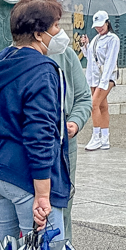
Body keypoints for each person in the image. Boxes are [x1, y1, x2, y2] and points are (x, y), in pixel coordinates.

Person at [0, 0, 72, 245]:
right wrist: (43, 193)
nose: (59, 32)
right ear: (38, 33)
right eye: (55, 26)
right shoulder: (43, 69)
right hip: (24, 173)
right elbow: (39, 132)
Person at [49, 18, 91, 237]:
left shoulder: (66, 54)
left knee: (62, 203)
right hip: (31, 141)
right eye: (55, 26)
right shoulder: (14, 56)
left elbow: (84, 96)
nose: (61, 31)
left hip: (64, 140)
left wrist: (75, 121)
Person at [83, 11, 120, 151]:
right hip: (94, 78)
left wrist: (104, 82)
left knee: (93, 104)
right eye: (97, 26)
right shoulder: (96, 39)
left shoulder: (113, 39)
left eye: (101, 25)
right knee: (102, 107)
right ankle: (105, 139)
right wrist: (85, 46)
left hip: (106, 78)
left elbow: (110, 62)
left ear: (107, 22)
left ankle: (96, 136)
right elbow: (90, 58)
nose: (99, 28)